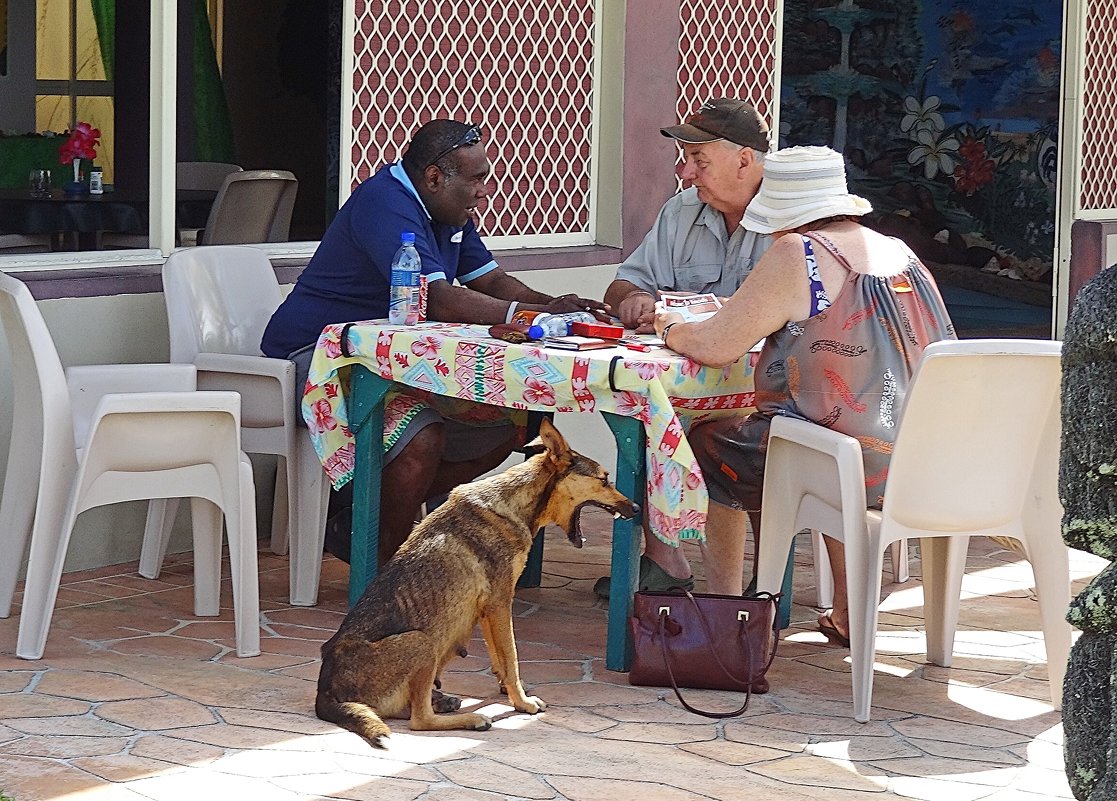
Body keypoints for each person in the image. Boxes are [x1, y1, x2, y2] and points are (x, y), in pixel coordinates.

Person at [262, 119, 608, 565]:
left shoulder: (448, 212)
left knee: (511, 421)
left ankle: (363, 515)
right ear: (434, 177)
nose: (485, 190)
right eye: (477, 178)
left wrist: (559, 307)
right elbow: (438, 300)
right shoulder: (384, 202)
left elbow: (494, 281)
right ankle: (385, 569)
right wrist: (530, 317)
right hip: (315, 360)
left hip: (387, 364)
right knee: (421, 435)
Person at [653, 145, 955, 646]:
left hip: (850, 467)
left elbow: (717, 345)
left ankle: (727, 613)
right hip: (921, 461)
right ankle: (848, 609)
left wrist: (671, 327)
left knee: (711, 444)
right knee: (822, 429)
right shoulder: (900, 252)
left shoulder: (801, 253)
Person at [594, 98, 772, 597]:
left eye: (699, 160)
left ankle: (763, 569)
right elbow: (625, 283)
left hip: (765, 390)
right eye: (685, 159)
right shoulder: (681, 212)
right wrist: (634, 300)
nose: (686, 173)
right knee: (647, 412)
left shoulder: (788, 220)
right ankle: (665, 559)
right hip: (690, 378)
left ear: (744, 160)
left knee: (733, 436)